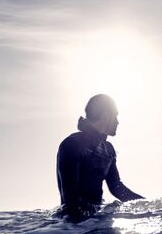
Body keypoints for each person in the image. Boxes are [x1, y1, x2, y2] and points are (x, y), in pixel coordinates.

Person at [56, 94, 144, 222]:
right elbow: (71, 202)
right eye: (116, 115)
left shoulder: (108, 149)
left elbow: (116, 187)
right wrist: (90, 222)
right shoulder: (72, 144)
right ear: (105, 115)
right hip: (74, 226)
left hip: (96, 220)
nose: (118, 121)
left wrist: (148, 205)